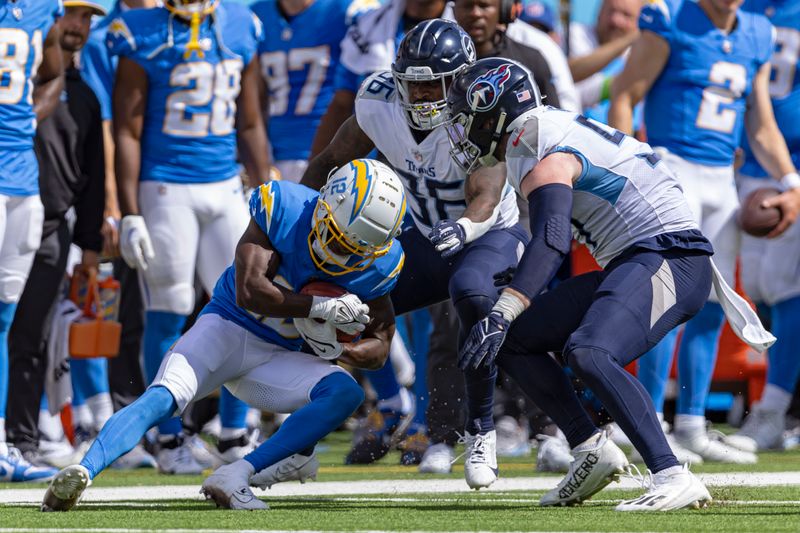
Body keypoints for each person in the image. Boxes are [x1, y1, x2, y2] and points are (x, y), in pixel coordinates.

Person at [446, 57, 773, 510]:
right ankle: (590, 450)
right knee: (515, 342)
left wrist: (503, 308)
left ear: (493, 112)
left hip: (670, 257)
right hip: (636, 258)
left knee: (590, 350)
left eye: (465, 119)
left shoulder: (532, 139)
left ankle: (671, 473)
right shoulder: (541, 131)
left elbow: (552, 239)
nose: (461, 132)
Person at [42, 159, 407, 511]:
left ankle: (237, 473)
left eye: (356, 250)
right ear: (328, 203)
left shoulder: (380, 264)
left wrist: (338, 350)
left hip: (279, 358)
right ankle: (83, 471)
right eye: (342, 240)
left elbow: (380, 347)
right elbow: (250, 289)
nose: (343, 255)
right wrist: (316, 309)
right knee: (164, 395)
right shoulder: (287, 209)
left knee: (346, 392)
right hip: (226, 327)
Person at [303, 20, 528, 488]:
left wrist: (462, 228)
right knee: (336, 305)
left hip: (488, 231)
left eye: (434, 85)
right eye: (415, 84)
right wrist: (292, 219)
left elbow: (486, 195)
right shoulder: (378, 102)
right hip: (428, 233)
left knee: (470, 294)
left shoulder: (477, 107)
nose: (424, 96)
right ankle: (304, 438)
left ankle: (480, 431)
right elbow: (329, 162)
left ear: (460, 81)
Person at [608, 0, 800, 464]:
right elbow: (625, 95)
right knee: (669, 301)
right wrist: (629, 174)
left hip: (721, 178)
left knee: (713, 305)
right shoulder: (670, 16)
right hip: (672, 169)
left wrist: (791, 180)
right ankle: (648, 420)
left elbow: (759, 121)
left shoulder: (756, 30)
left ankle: (692, 424)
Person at [106, 0, 272, 474]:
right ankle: (167, 435)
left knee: (246, 304)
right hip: (164, 185)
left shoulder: (242, 23)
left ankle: (235, 429)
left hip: (224, 183)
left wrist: (266, 193)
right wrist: (131, 210)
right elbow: (127, 129)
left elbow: (250, 120)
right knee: (169, 305)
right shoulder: (139, 30)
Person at [5, 0, 107, 471]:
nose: (79, 25)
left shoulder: (86, 95)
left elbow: (90, 175)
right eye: (73, 14)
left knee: (31, 337)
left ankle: (20, 438)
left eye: (88, 18)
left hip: (48, 226)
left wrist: (89, 243)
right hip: (17, 205)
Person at [726, 0, 800, 452]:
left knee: (784, 284)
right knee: (754, 285)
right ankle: (784, 404)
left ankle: (772, 410)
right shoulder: (739, 11)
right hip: (744, 162)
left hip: (791, 162)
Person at [0, 0, 65, 483]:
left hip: (23, 180)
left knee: (4, 317)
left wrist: (26, 120)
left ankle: (2, 443)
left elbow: (52, 73)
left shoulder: (45, 8)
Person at [252, 0, 372, 183]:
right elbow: (254, 99)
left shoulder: (351, 12)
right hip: (272, 158)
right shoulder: (255, 17)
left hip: (333, 153)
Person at [568, 0, 641, 129]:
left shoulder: (641, 51)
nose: (615, 20)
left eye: (626, 15)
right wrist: (629, 39)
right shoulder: (575, 34)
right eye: (611, 11)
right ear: (600, 12)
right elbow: (573, 81)